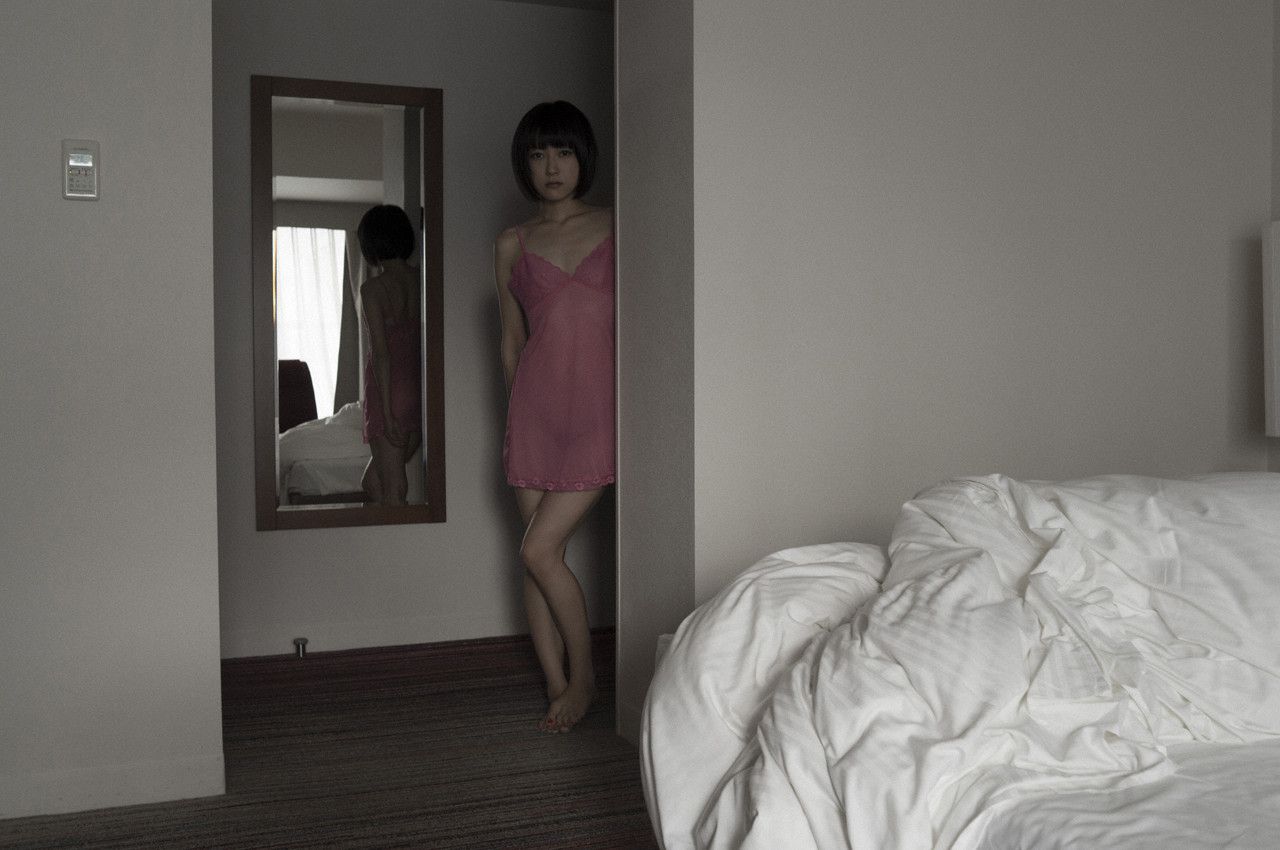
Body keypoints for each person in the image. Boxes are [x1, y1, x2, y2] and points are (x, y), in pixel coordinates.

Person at [495, 101, 614, 732]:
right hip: (534, 416)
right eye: (538, 154)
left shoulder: (618, 226)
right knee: (537, 553)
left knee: (539, 550)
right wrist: (516, 415)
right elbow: (512, 342)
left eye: (563, 152)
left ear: (582, 157)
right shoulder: (511, 244)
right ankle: (556, 681)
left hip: (599, 414)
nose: (551, 167)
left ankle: (585, 679)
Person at [358, 204, 423, 506]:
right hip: (416, 389)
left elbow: (382, 354)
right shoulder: (422, 279)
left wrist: (386, 411)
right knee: (373, 481)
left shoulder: (373, 289)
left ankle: (402, 538)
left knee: (394, 487)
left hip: (389, 391)